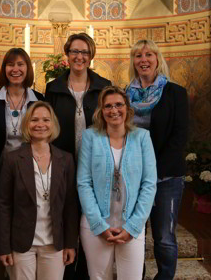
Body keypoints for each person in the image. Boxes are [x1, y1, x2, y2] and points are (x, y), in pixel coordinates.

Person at [77, 86, 156, 280]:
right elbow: (83, 183)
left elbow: (149, 184)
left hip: (131, 225)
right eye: (108, 106)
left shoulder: (142, 137)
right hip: (96, 226)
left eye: (119, 105)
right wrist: (99, 224)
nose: (114, 110)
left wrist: (132, 227)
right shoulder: (90, 137)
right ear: (101, 111)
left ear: (127, 108)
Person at [126, 40, 189, 280]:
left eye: (148, 54)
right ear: (133, 61)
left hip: (167, 175)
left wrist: (153, 172)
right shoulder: (125, 94)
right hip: (133, 175)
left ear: (157, 59)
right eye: (138, 55)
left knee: (163, 236)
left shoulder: (175, 92)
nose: (143, 59)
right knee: (135, 233)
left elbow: (179, 136)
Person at [0, 101, 78, 280]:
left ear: (53, 124)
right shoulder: (12, 159)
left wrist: (71, 243)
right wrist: (3, 247)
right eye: (34, 120)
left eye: (45, 120)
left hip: (54, 243)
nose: (40, 124)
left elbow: (71, 205)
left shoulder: (66, 159)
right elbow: (4, 205)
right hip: (21, 242)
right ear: (27, 124)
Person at [45, 33, 111, 160]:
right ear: (68, 55)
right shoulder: (53, 88)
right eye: (75, 51)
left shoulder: (104, 87)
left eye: (85, 52)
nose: (79, 57)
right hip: (61, 158)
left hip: (97, 158)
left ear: (91, 56)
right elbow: (48, 127)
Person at [0, 48, 44, 159]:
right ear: (4, 69)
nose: (15, 69)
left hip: (29, 164)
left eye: (20, 64)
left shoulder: (39, 100)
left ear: (28, 68)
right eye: (10, 65)